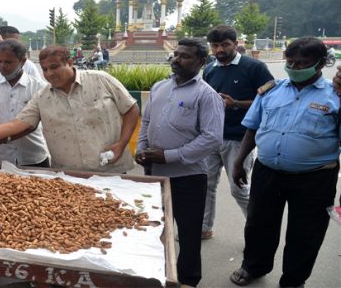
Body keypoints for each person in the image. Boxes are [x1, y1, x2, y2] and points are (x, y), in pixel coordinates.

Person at [230, 37, 339, 288]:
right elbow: (252, 128)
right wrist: (238, 161)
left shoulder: (335, 96)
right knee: (259, 225)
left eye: (303, 63)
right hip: (267, 172)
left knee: (306, 233)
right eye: (290, 62)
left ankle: (293, 280)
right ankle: (254, 267)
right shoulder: (271, 90)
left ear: (321, 64)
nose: (295, 68)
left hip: (315, 178)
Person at [0, 45, 139, 173]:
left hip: (108, 166)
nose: (50, 73)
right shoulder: (43, 96)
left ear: (69, 62)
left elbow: (131, 108)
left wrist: (122, 143)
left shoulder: (100, 79)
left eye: (55, 67)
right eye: (44, 69)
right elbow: (17, 124)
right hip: (67, 172)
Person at [135, 38, 224, 287]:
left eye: (185, 56)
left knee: (188, 234)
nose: (177, 59)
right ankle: (156, 274)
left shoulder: (207, 95)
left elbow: (212, 138)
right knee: (154, 229)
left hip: (188, 177)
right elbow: (147, 122)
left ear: (201, 62)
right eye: (176, 54)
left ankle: (187, 280)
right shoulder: (159, 87)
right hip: (155, 173)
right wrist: (141, 149)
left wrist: (168, 156)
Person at [201, 25, 274, 240]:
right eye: (215, 45)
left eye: (225, 44)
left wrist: (236, 104)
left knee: (238, 189)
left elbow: (269, 102)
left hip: (240, 138)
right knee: (205, 185)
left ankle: (257, 235)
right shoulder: (210, 69)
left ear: (236, 43)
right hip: (212, 136)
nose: (219, 50)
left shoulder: (255, 67)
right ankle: (204, 228)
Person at [0, 39, 49, 166]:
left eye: (8, 62)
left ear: (22, 61)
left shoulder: (39, 87)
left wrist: (0, 140)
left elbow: (31, 125)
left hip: (32, 157)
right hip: (0, 156)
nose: (3, 66)